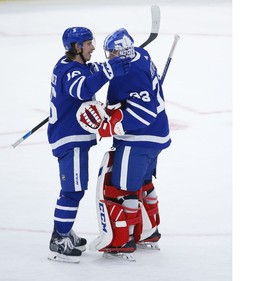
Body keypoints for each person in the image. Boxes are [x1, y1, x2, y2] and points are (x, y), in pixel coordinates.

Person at [81, 28, 171, 259]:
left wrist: (111, 126)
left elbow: (145, 113)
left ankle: (124, 240)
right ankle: (149, 232)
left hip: (138, 140)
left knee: (122, 189)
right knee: (144, 183)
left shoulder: (132, 75)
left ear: (122, 53)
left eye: (112, 53)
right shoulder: (141, 54)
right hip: (157, 136)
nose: (109, 56)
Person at [46, 26, 131, 263]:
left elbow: (93, 73)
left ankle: (65, 231)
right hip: (69, 139)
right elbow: (84, 87)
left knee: (75, 189)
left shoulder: (74, 66)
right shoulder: (71, 72)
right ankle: (59, 237)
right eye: (88, 43)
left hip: (72, 137)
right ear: (76, 47)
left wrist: (112, 66)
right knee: (72, 191)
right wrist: (108, 72)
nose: (93, 47)